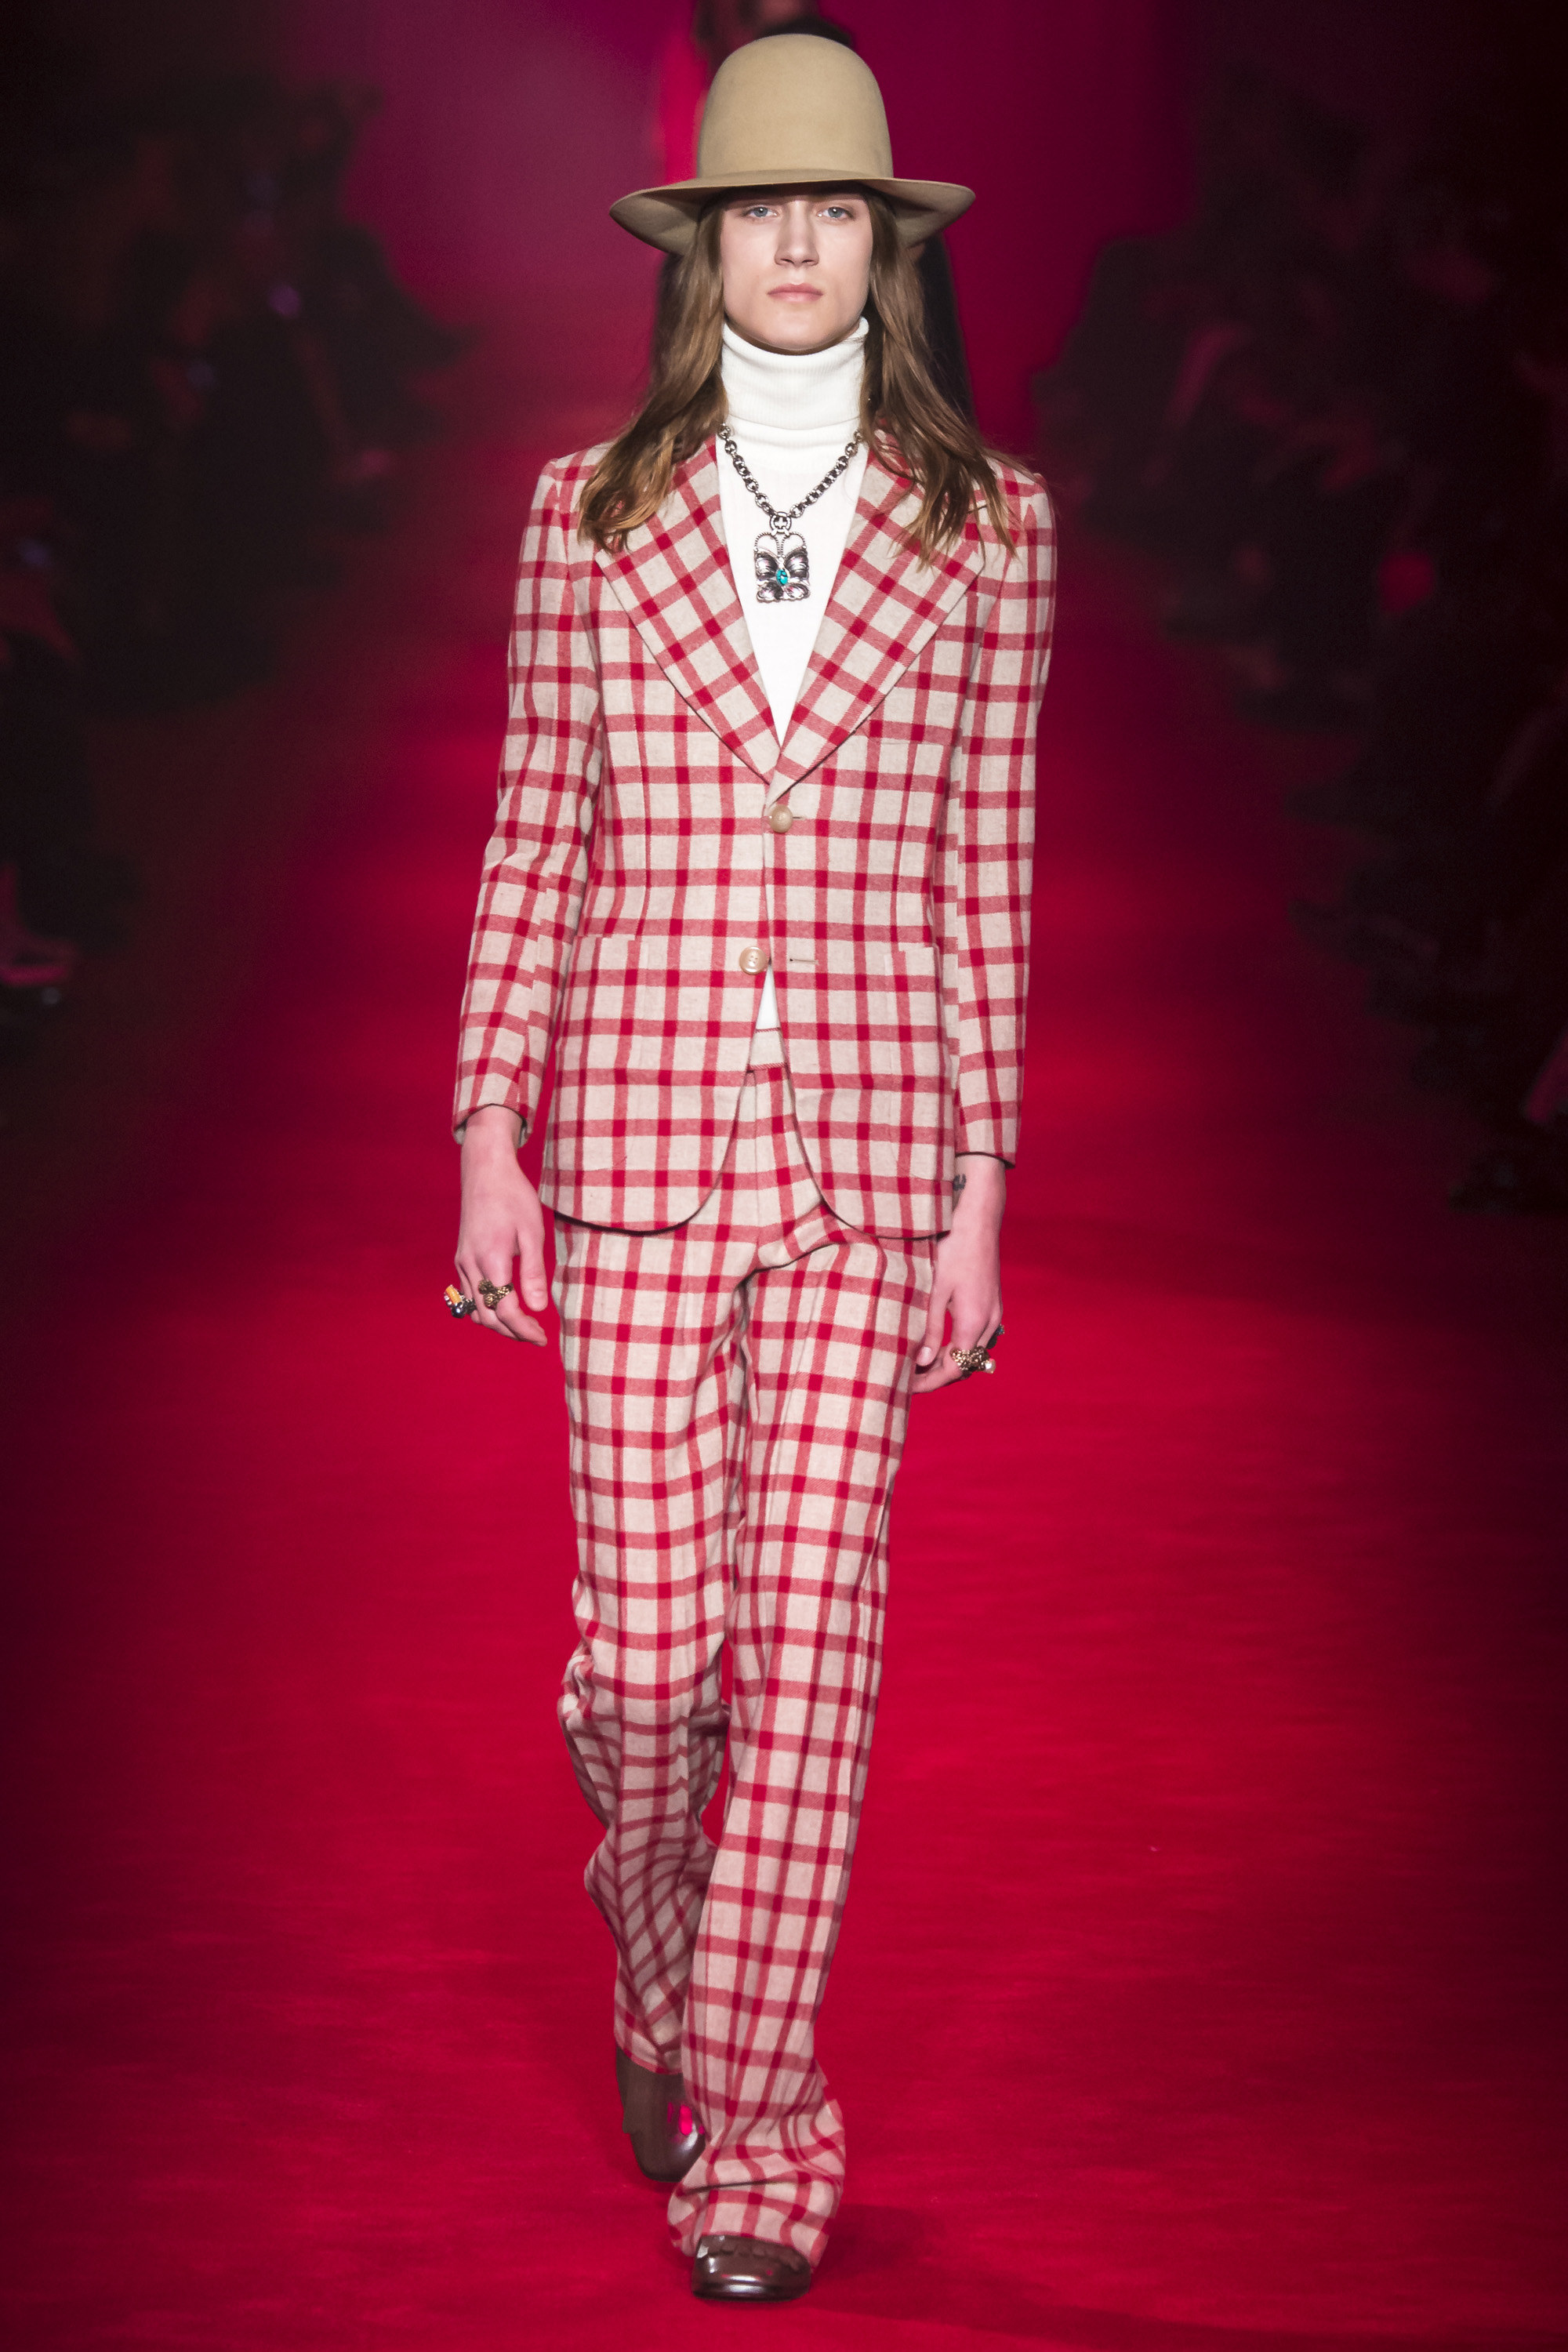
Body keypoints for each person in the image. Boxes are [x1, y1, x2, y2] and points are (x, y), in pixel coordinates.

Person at [449, 34, 1054, 2303]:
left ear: (885, 248)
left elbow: (985, 872)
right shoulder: (586, 513)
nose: (798, 244)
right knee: (650, 1668)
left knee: (814, 1652)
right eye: (760, 211)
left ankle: (764, 2134)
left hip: (870, 1162)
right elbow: (537, 833)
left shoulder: (990, 527)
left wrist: (984, 1185)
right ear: (701, 250)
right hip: (628, 1143)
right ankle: (656, 1949)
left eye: (837, 211)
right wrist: (483, 1127)